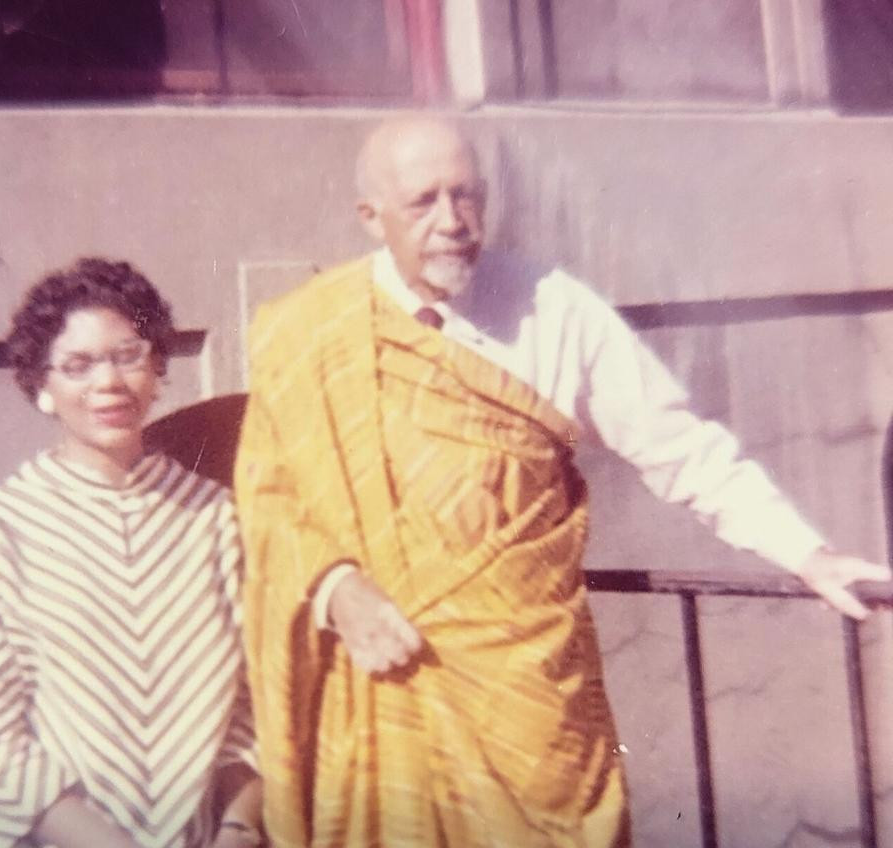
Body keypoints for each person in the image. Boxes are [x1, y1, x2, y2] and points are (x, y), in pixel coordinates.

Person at [233, 115, 890, 847]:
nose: (452, 223)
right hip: (379, 692)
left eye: (467, 196)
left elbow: (678, 446)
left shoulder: (554, 307)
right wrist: (333, 588)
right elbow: (269, 500)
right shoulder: (312, 332)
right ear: (371, 217)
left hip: (526, 700)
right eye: (423, 203)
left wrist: (807, 553)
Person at [0, 258, 263, 848]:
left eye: (128, 355)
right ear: (42, 388)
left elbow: (248, 711)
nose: (108, 383)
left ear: (158, 367)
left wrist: (241, 825)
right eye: (78, 365)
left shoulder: (215, 518)